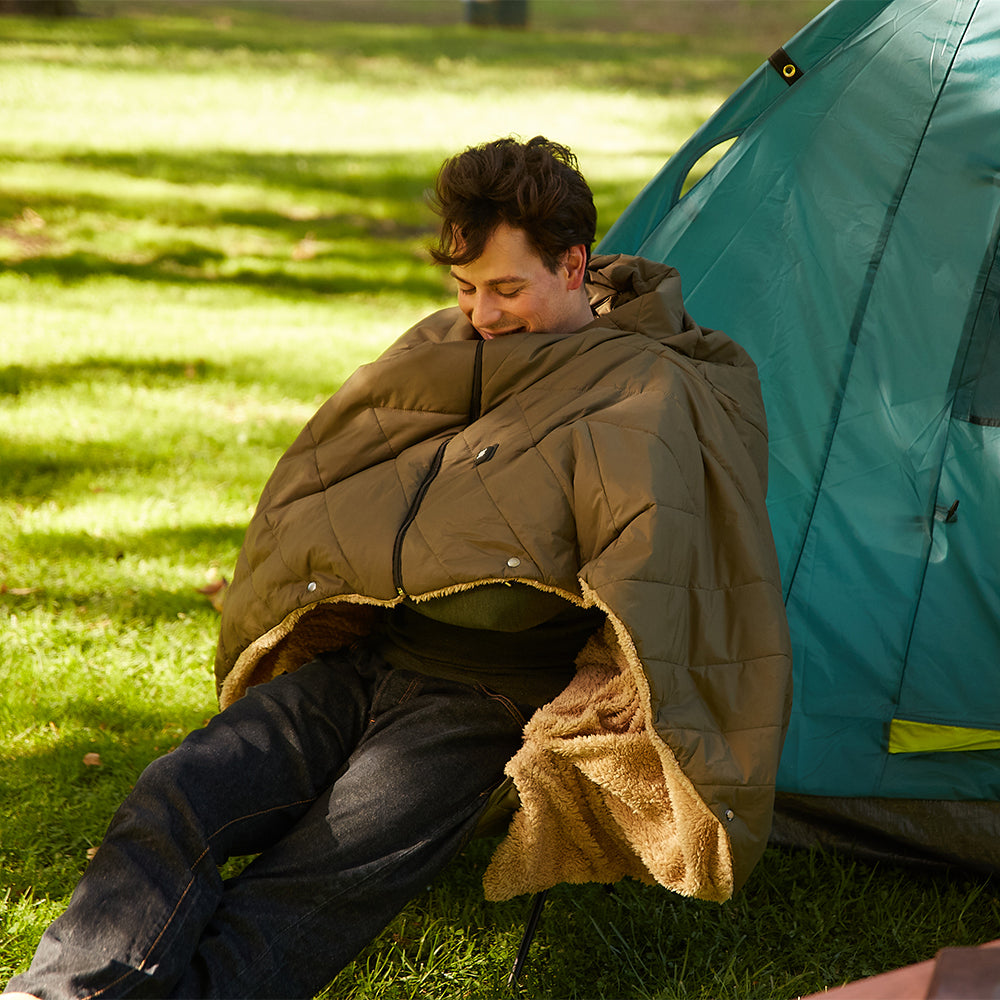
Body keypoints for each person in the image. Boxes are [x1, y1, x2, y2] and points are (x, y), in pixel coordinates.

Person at [4, 136, 792, 1000]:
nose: (481, 313)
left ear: (574, 266)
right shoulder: (445, 348)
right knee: (179, 790)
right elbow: (344, 472)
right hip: (370, 657)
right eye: (463, 287)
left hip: (485, 702)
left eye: (505, 288)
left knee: (324, 872)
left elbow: (673, 583)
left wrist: (590, 721)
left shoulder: (649, 388)